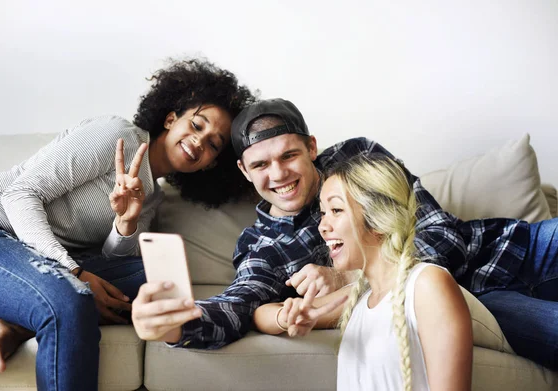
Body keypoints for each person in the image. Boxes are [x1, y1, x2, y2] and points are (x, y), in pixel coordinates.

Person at [132, 98, 558, 371]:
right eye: (260, 165)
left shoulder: (357, 158)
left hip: (512, 247)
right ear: (243, 170)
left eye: (289, 156)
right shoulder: (263, 245)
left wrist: (346, 278)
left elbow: (440, 236)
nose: (278, 174)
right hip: (485, 304)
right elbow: (240, 306)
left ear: (312, 147)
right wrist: (178, 324)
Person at [0, 58, 256, 390]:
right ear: (171, 119)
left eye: (214, 144)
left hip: (36, 263)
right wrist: (72, 272)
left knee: (154, 278)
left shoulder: (151, 197)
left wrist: (125, 223)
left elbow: (111, 263)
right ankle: (25, 309)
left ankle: (7, 321)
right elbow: (20, 194)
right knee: (73, 300)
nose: (201, 141)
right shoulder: (118, 136)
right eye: (198, 125)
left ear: (210, 164)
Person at [253, 153, 473, 390]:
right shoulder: (358, 298)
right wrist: (287, 316)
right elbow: (261, 315)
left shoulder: (427, 284)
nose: (323, 226)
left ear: (378, 217)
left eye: (336, 210)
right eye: (323, 212)